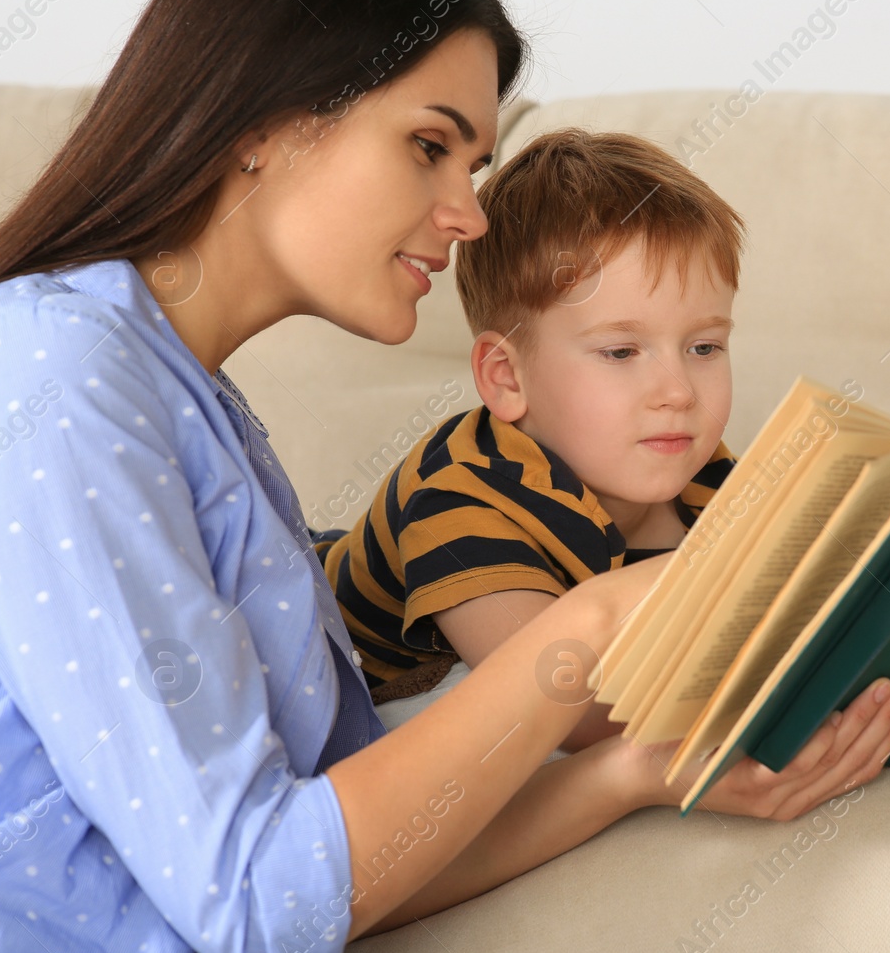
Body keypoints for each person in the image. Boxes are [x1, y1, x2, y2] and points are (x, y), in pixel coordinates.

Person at [0, 0, 890, 953]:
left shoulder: (201, 414)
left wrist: (636, 774)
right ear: (266, 123)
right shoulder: (50, 370)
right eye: (430, 145)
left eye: (471, 164)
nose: (467, 211)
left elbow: (341, 866)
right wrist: (594, 621)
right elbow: (259, 902)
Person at [311, 128, 781, 762]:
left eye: (704, 347)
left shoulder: (704, 473)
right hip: (359, 677)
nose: (678, 392)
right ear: (507, 378)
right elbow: (570, 712)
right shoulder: (457, 498)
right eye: (620, 351)